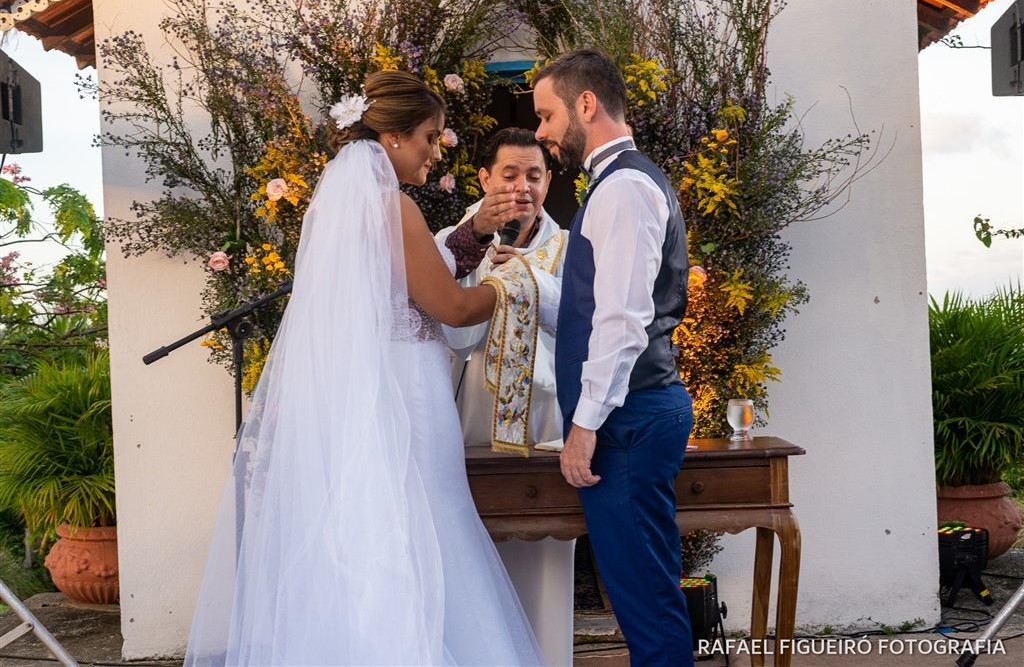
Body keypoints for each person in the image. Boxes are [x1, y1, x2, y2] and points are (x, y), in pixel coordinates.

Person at [185, 71, 544, 666]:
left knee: (382, 529)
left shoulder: (334, 209)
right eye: (430, 137)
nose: (436, 150)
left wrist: (476, 236)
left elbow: (407, 282)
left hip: (374, 388)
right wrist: (518, 283)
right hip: (410, 393)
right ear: (397, 138)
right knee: (429, 520)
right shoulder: (393, 208)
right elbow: (451, 306)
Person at [534, 48, 696, 666]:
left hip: (628, 416)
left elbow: (624, 324)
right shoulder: (620, 181)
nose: (544, 133)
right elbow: (594, 311)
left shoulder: (624, 188)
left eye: (547, 116)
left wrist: (584, 427)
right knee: (642, 593)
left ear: (585, 104)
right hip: (633, 411)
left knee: (645, 601)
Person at [435, 127, 573, 666]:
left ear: (549, 182)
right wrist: (480, 273)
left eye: (534, 175)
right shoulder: (453, 241)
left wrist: (530, 280)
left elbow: (581, 329)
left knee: (547, 557)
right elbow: (453, 336)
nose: (522, 187)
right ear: (484, 178)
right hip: (474, 414)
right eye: (509, 175)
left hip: (545, 418)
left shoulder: (566, 247)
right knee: (472, 550)